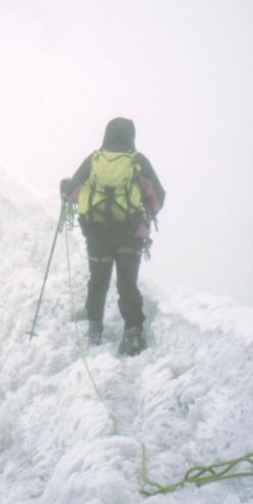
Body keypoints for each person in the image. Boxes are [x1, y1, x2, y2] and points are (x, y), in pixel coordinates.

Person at [60, 118, 165, 355]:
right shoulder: (138, 161)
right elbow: (158, 197)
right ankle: (133, 332)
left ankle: (94, 328)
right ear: (131, 136)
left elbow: (73, 192)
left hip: (96, 232)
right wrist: (143, 212)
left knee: (98, 279)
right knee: (127, 281)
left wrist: (65, 188)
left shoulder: (95, 159)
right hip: (130, 234)